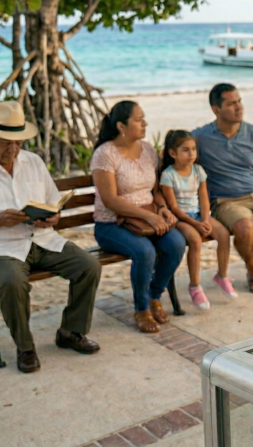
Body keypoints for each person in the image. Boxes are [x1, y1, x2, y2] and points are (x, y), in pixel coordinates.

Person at [0, 102, 101, 373]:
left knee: (88, 265)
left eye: (18, 142)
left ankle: (70, 332)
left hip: (42, 239)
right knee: (11, 281)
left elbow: (54, 203)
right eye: (6, 143)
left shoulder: (33, 162)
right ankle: (25, 347)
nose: (13, 150)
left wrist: (52, 217)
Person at [91, 101, 185, 333]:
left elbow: (154, 191)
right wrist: (149, 216)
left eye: (144, 119)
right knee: (145, 251)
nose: (145, 124)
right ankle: (142, 308)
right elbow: (110, 200)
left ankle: (154, 295)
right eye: (139, 120)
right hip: (111, 224)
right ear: (122, 126)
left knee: (176, 244)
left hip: (147, 220)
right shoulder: (105, 154)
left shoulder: (148, 151)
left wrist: (162, 209)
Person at [193, 84, 253, 294]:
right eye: (231, 103)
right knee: (246, 229)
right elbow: (174, 153)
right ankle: (252, 267)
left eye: (239, 101)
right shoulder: (200, 138)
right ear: (216, 109)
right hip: (226, 202)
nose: (239, 107)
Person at [159, 129, 235, 306]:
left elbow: (203, 198)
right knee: (195, 240)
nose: (191, 154)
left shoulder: (198, 170)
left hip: (199, 215)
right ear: (172, 153)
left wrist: (206, 220)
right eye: (185, 150)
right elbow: (173, 207)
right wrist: (195, 223)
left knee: (223, 234)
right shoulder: (168, 175)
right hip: (181, 219)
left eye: (193, 149)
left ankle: (222, 276)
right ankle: (195, 286)